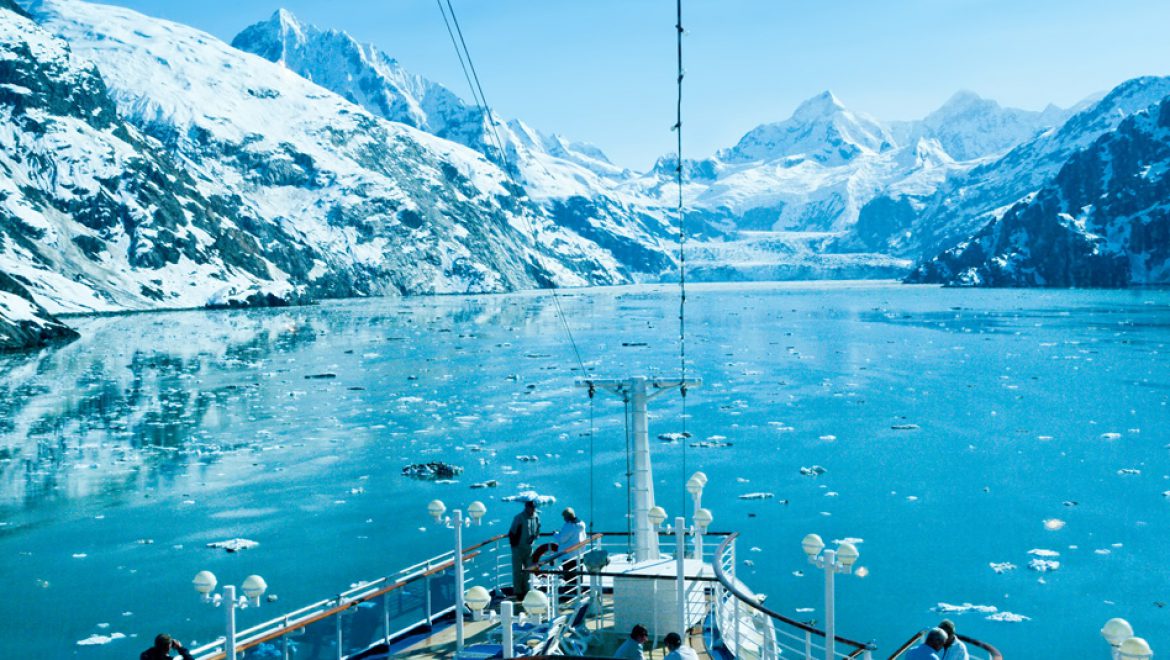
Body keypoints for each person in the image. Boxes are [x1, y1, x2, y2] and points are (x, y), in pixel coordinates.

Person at [508, 497, 540, 600]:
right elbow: (512, 532)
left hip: (529, 548)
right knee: (517, 571)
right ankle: (518, 592)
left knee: (528, 570)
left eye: (534, 508)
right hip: (518, 548)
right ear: (526, 507)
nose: (533, 509)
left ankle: (527, 591)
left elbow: (538, 528)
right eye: (531, 507)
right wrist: (514, 546)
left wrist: (535, 536)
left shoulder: (536, 517)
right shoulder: (519, 518)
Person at [554, 507, 587, 593]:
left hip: (569, 555)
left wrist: (555, 534)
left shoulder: (569, 526)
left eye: (564, 517)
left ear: (567, 516)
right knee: (578, 574)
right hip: (579, 554)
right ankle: (578, 591)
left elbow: (562, 539)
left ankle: (570, 593)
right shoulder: (581, 524)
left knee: (569, 576)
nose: (564, 519)